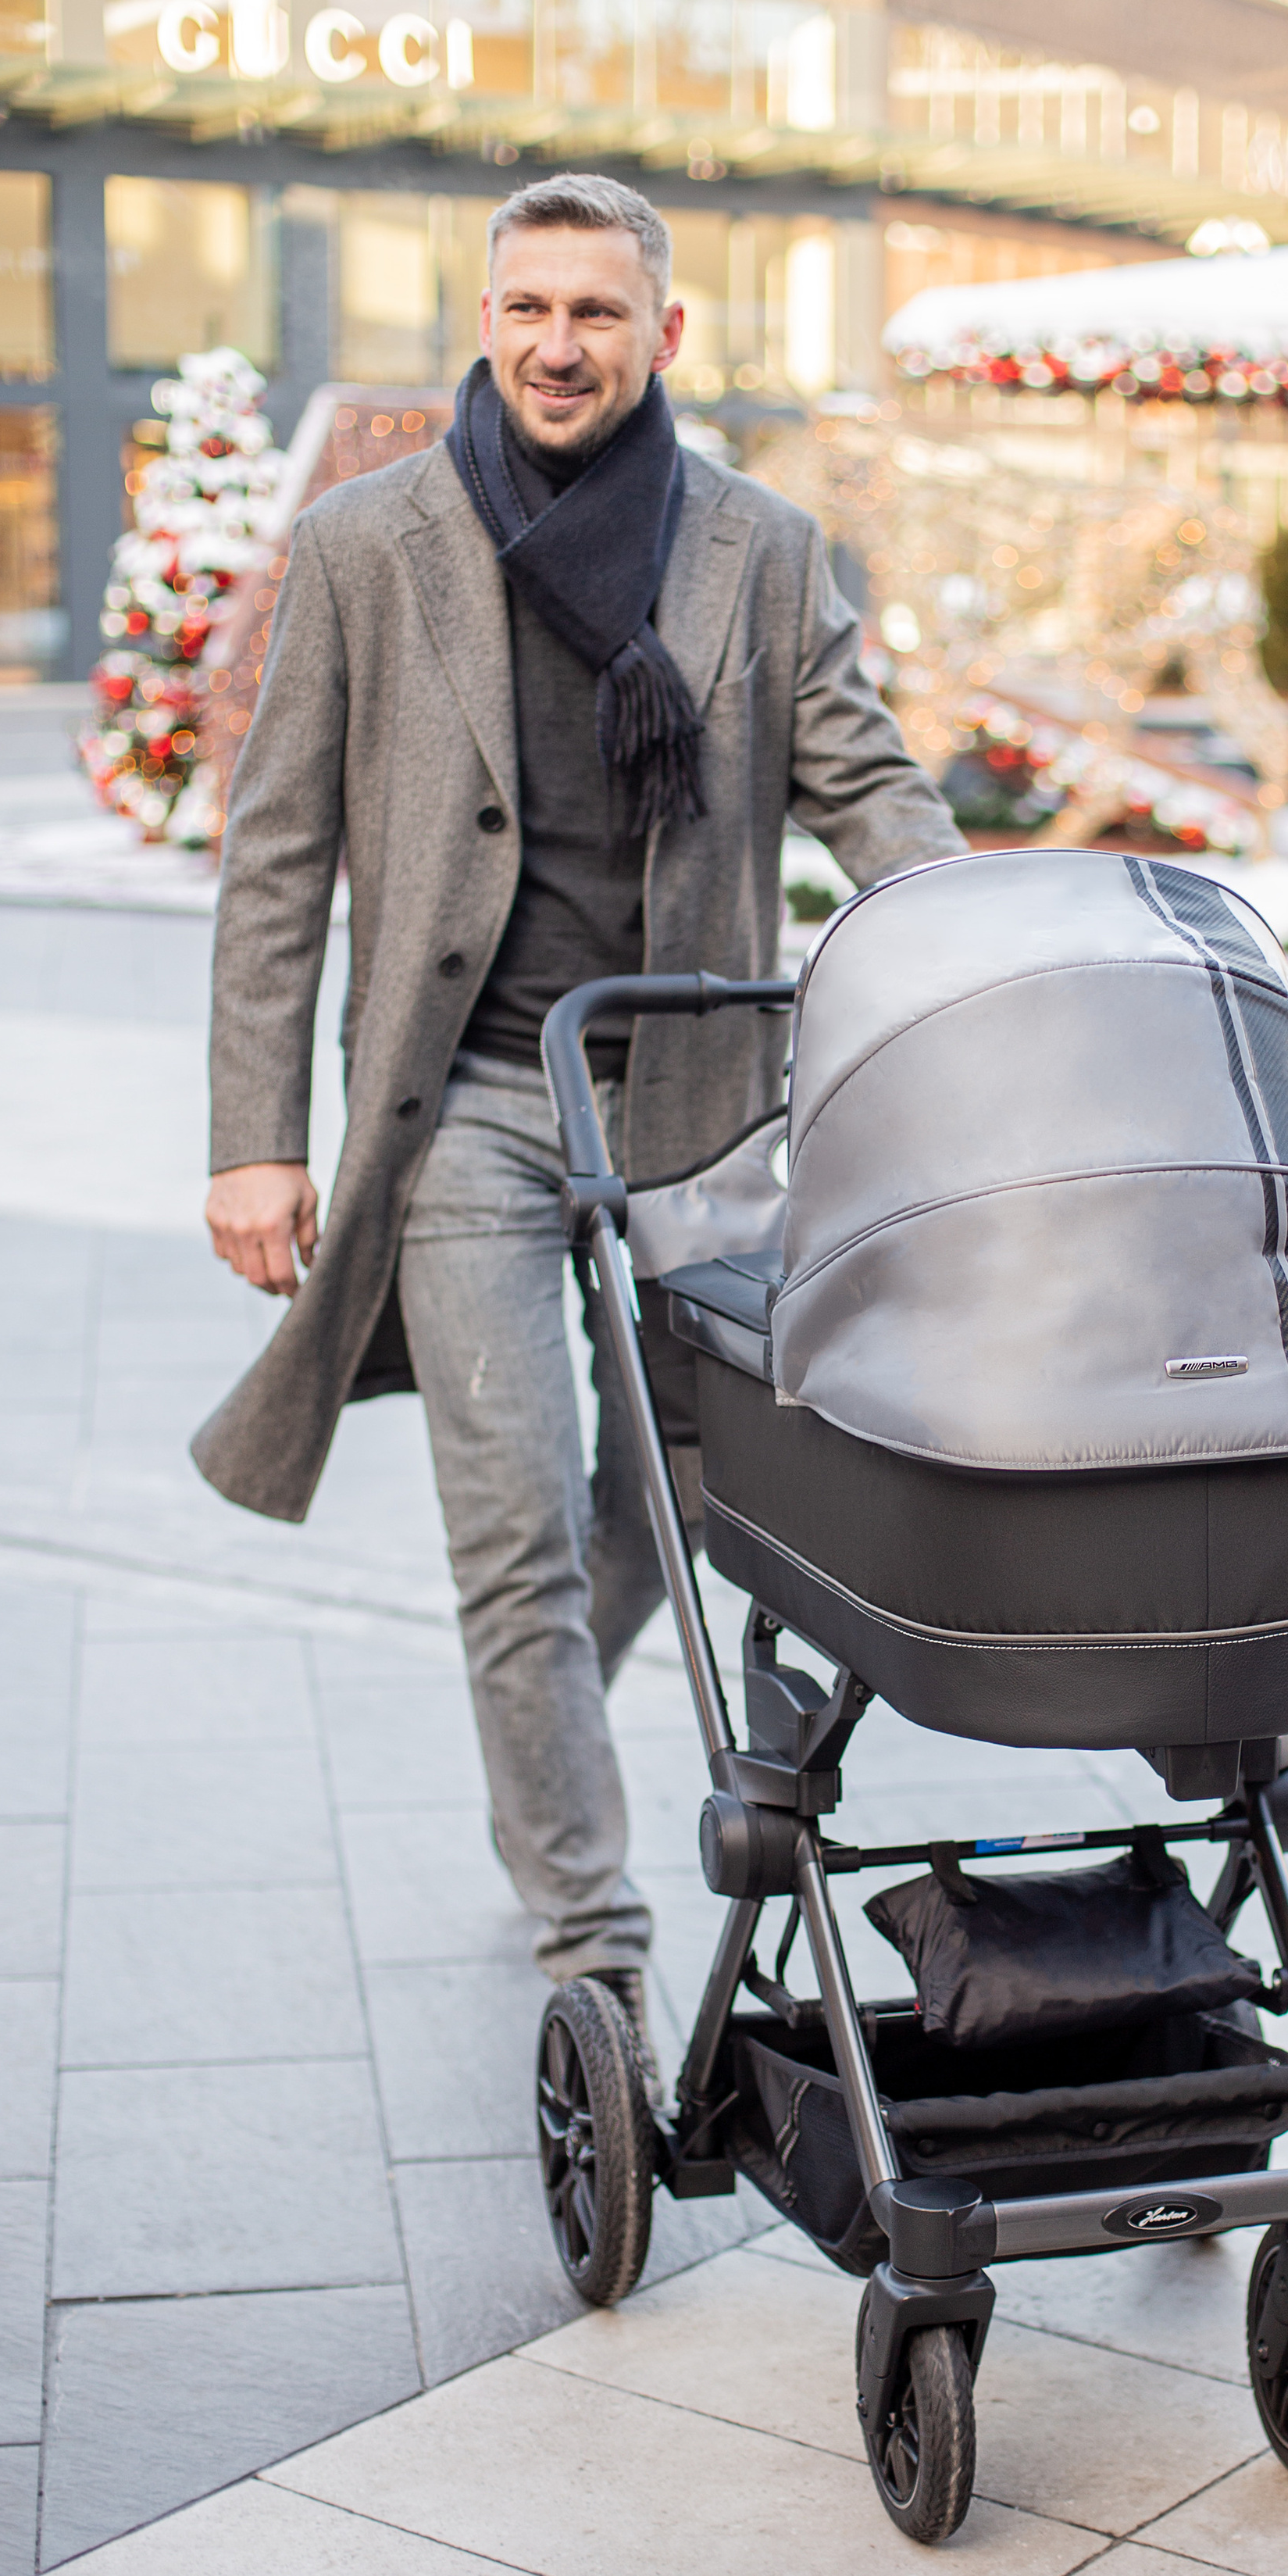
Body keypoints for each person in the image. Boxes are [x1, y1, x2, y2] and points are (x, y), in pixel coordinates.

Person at [194, 172, 962, 2058]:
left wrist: (981, 966)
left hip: (690, 1110)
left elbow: (866, 785)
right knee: (516, 1522)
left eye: (595, 314)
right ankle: (583, 1923)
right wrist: (253, 1129)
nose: (557, 344)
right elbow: (276, 857)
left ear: (663, 335)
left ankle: (540, 1731)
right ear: (484, 320)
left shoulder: (759, 552)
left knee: (681, 1506)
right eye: (526, 309)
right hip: (460, 1104)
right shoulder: (369, 543)